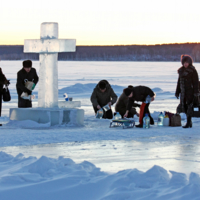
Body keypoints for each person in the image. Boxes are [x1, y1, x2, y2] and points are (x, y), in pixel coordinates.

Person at [175, 55, 199, 128]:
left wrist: (196, 92)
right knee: (184, 106)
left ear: (190, 63)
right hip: (183, 92)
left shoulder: (193, 71)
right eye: (184, 62)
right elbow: (179, 82)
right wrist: (177, 92)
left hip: (190, 91)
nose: (185, 64)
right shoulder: (181, 71)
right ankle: (189, 121)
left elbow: (196, 82)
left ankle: (188, 122)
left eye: (187, 62)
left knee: (190, 106)